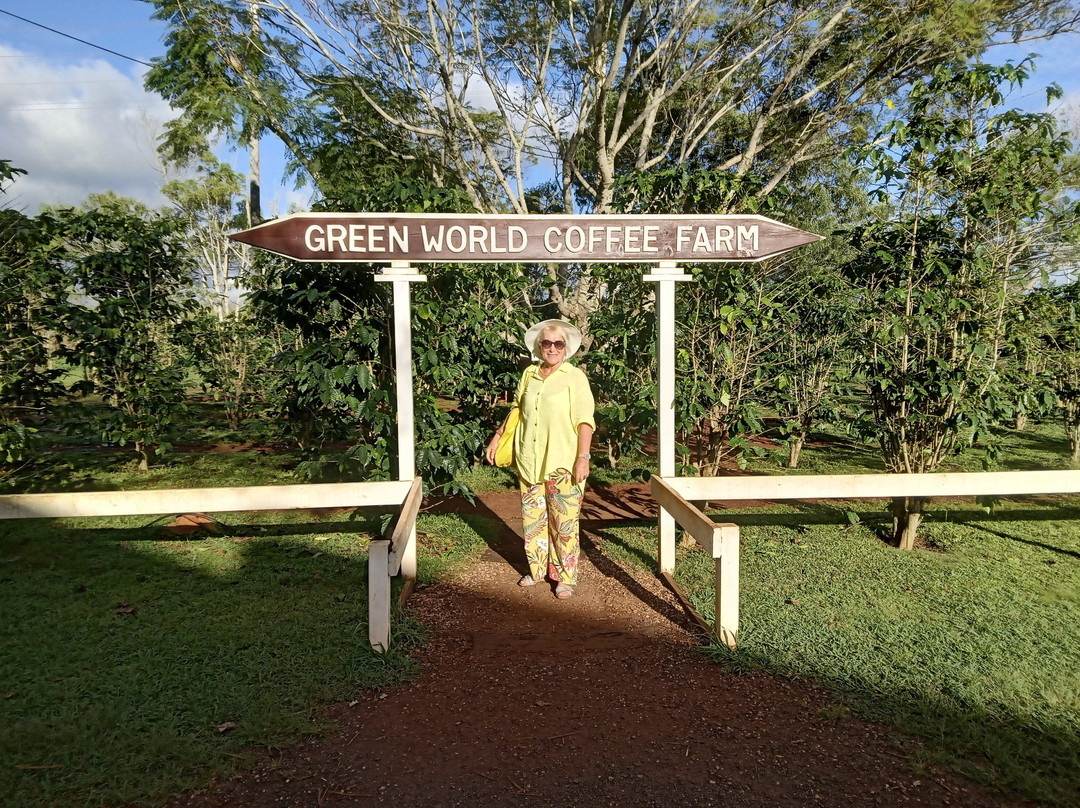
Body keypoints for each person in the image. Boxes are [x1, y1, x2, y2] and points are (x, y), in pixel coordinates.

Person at [485, 319, 595, 599]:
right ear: (539, 346)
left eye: (558, 343)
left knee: (564, 523)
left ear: (566, 347)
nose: (552, 348)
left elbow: (585, 420)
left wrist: (583, 457)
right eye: (547, 343)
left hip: (562, 463)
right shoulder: (530, 374)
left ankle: (565, 577)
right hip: (529, 459)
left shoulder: (574, 377)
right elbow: (517, 408)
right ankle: (537, 570)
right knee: (533, 520)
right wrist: (498, 436)